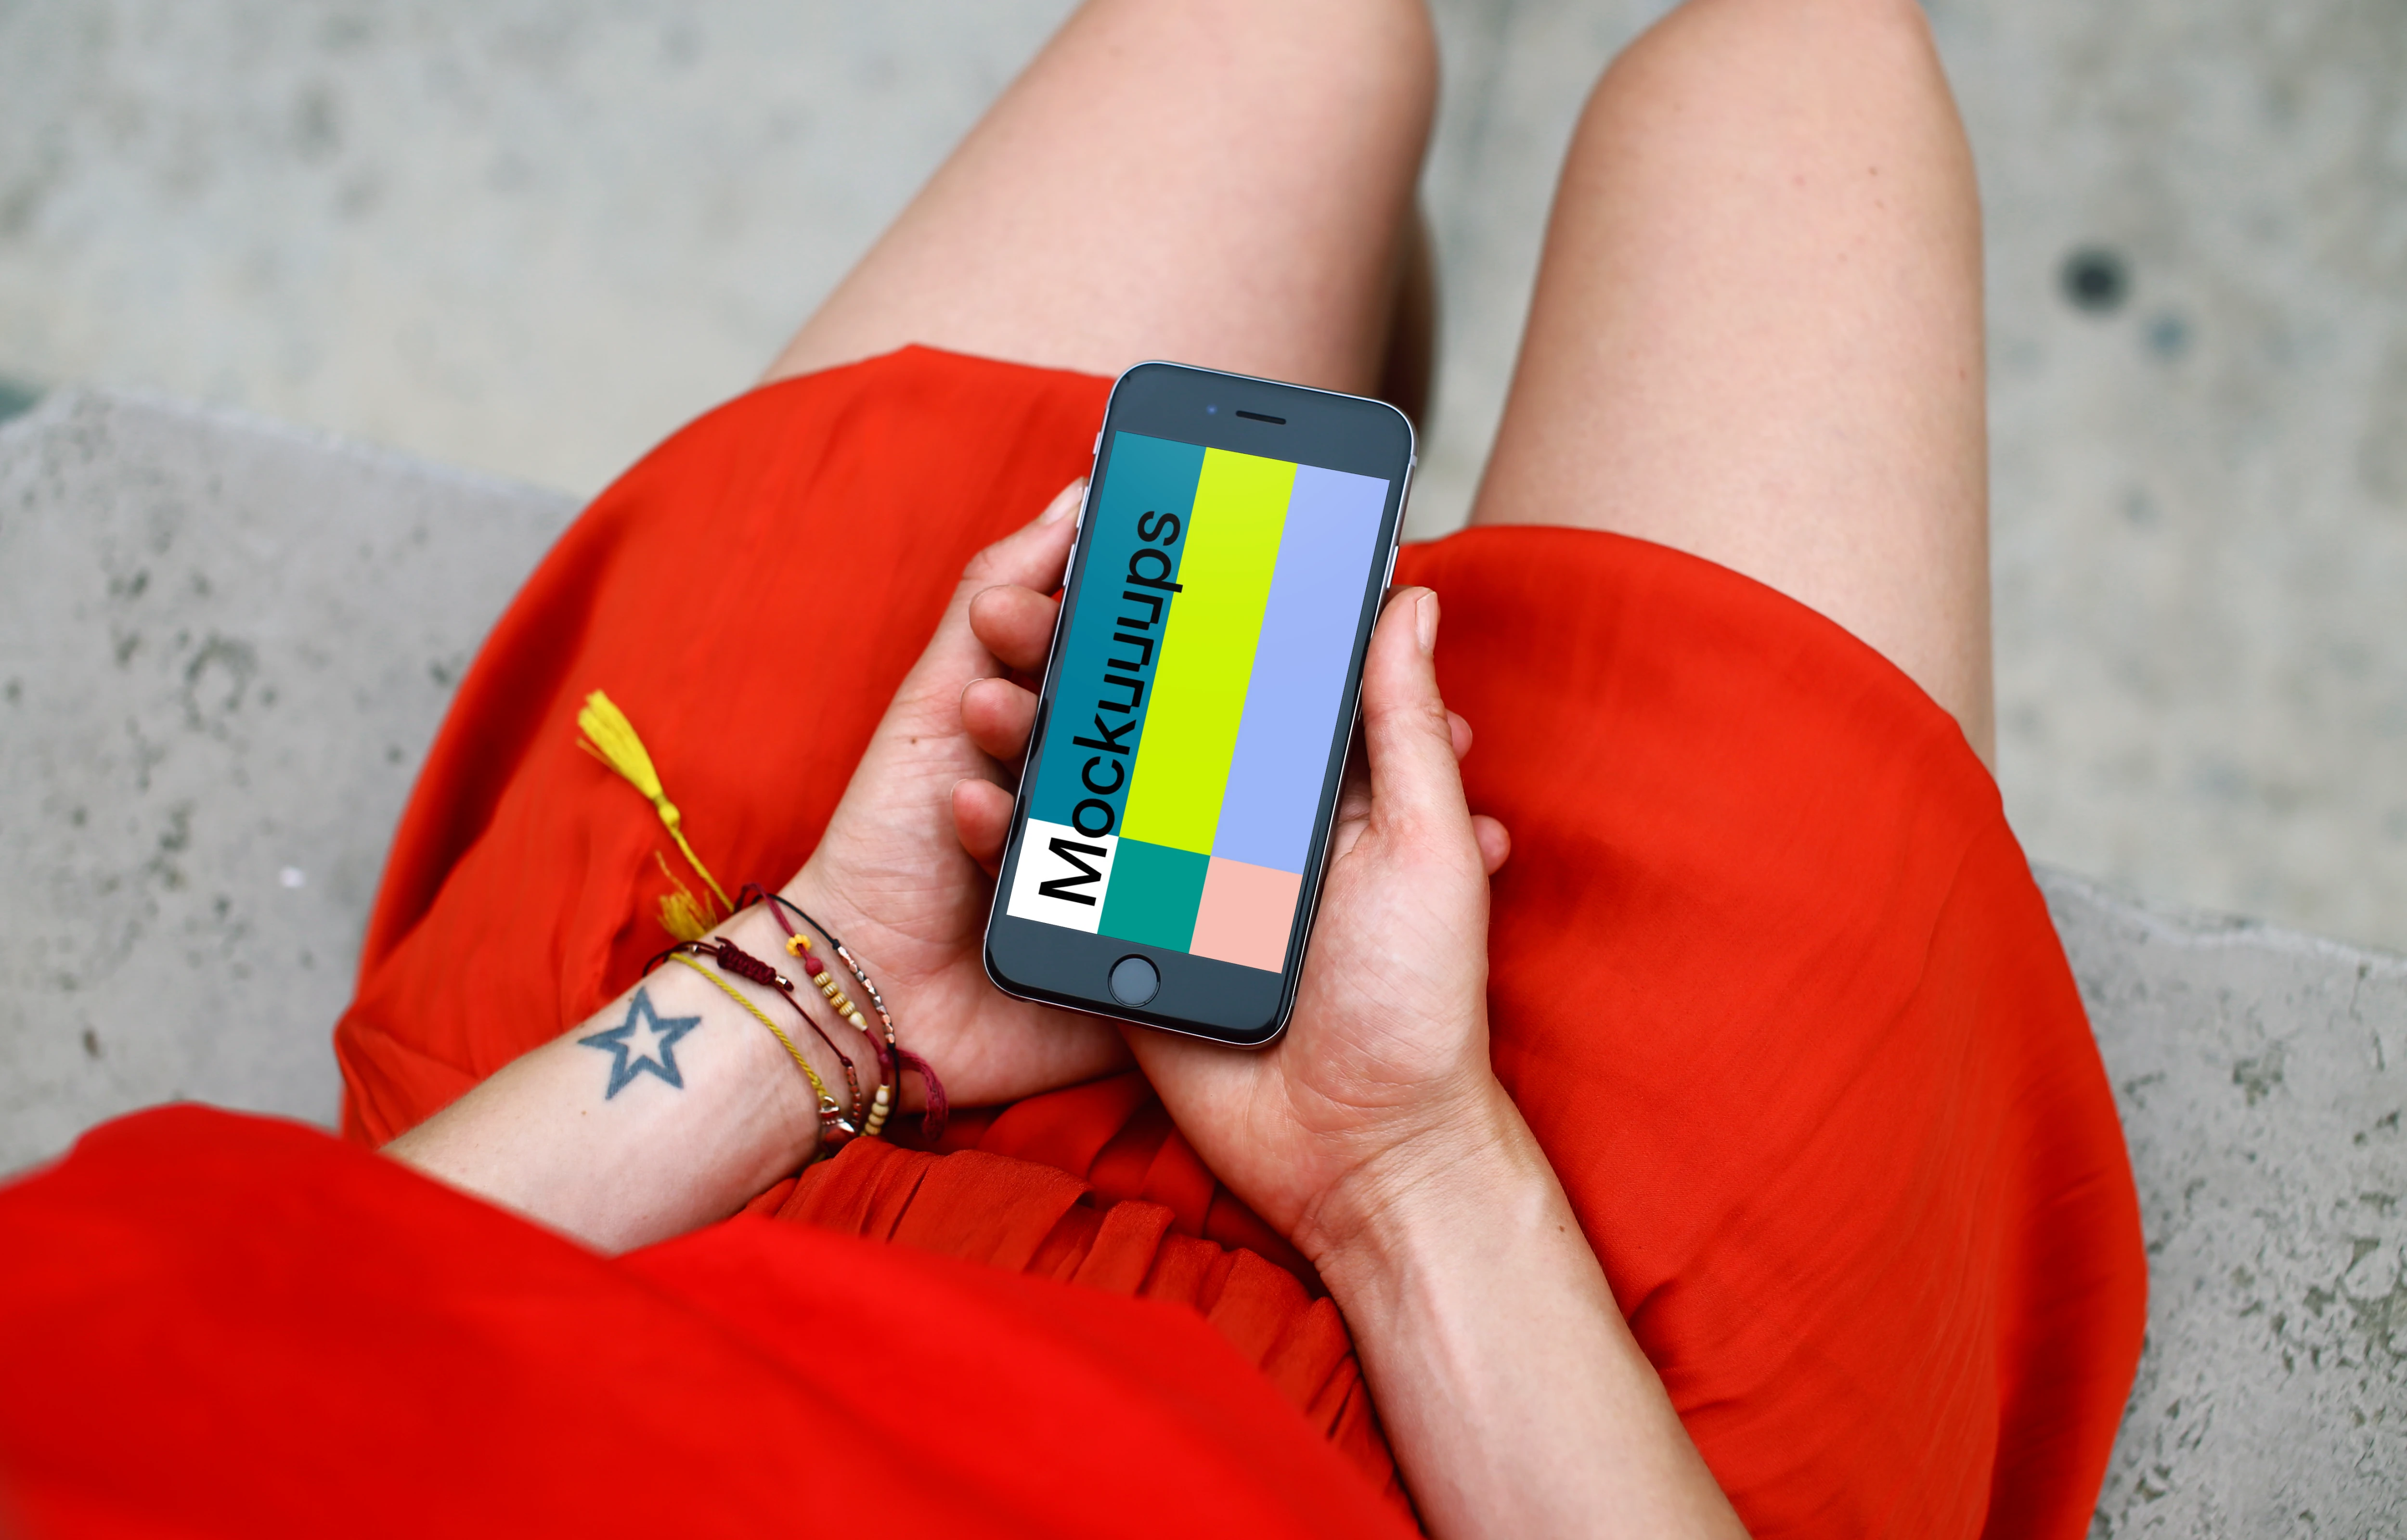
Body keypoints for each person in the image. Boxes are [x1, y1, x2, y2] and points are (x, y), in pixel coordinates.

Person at [0, 0, 2146, 1535]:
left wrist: (814, 978)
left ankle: (1356, 422)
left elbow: (260, 1303)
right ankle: (1361, 457)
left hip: (677, 1136)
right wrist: (1407, 1175)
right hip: (1520, 1391)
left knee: (1284, 35)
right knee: (1785, 70)